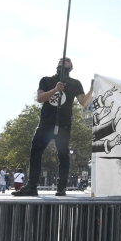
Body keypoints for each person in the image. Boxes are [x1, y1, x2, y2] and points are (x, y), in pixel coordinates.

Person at [13, 58, 93, 197]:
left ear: (71, 68)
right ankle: (32, 186)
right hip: (46, 122)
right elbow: (40, 98)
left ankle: (61, 187)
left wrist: (92, 89)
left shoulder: (75, 83)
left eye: (66, 63)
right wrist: (55, 89)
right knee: (36, 152)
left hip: (64, 124)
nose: (63, 63)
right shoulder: (46, 80)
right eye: (61, 62)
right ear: (57, 66)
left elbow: (83, 102)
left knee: (63, 155)